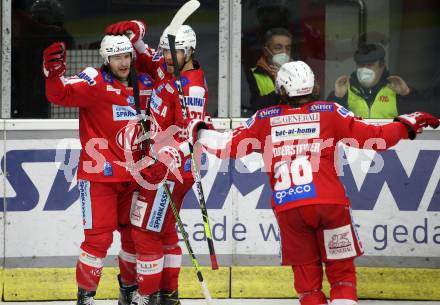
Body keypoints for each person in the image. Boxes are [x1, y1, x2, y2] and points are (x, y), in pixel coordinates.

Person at [191, 61, 439, 305]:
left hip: (290, 209)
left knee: (308, 287)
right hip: (330, 205)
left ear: (281, 89)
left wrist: (200, 131)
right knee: (342, 278)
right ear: (313, 86)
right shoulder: (330, 111)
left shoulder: (264, 118)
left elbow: (227, 146)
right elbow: (376, 138)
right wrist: (407, 124)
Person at [105, 20, 211, 305]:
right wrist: (136, 34)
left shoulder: (192, 88)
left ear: (188, 51)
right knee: (163, 231)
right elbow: (148, 57)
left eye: (172, 53)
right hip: (161, 166)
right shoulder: (169, 66)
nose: (165, 57)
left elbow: (187, 132)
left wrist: (164, 160)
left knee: (144, 230)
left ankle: (147, 296)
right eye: (164, 51)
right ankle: (167, 296)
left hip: (171, 169)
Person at [43, 34, 154, 305]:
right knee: (98, 240)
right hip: (99, 178)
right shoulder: (94, 80)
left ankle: (128, 292)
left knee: (132, 238)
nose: (124, 62)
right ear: (106, 59)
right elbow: (58, 94)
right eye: (117, 57)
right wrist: (52, 74)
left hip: (136, 177)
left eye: (127, 55)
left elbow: (168, 77)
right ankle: (86, 297)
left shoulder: (145, 83)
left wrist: (140, 34)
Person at [12, 0, 74, 118]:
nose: (40, 20)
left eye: (43, 17)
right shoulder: (27, 34)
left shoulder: (59, 34)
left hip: (46, 85)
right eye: (39, 17)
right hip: (28, 85)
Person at [327, 43, 419, 119]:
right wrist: (338, 98)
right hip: (355, 141)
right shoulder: (345, 89)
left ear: (382, 67)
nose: (364, 69)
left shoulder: (395, 89)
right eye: (361, 65)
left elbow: (421, 120)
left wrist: (407, 94)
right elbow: (328, 121)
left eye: (370, 65)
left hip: (388, 140)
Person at [247, 27, 293, 113]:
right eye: (278, 48)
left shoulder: (300, 73)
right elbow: (253, 107)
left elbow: (308, 103)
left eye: (288, 48)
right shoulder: (253, 74)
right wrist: (279, 91)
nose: (284, 52)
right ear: (266, 51)